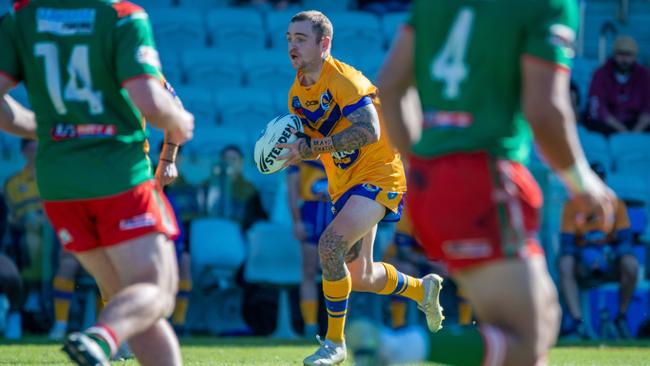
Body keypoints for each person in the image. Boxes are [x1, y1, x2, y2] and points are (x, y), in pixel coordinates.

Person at [361, 0, 618, 365]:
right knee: (526, 344)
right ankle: (395, 348)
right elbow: (545, 112)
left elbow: (389, 86)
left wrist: (423, 164)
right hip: (485, 180)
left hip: (432, 182)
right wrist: (583, 183)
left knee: (542, 320)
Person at [0, 1, 194, 366]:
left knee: (131, 298)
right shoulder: (122, 17)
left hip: (58, 183)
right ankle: (102, 336)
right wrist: (180, 121)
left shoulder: (19, 18)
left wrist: (42, 127)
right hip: (117, 175)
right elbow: (152, 102)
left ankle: (107, 334)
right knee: (157, 292)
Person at [277, 10, 443, 365]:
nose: (292, 46)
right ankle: (421, 289)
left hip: (379, 174)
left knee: (330, 245)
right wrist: (293, 152)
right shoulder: (296, 93)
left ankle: (335, 344)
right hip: (345, 183)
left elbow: (369, 131)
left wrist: (312, 148)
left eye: (301, 39)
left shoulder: (345, 80)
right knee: (361, 275)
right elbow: (316, 141)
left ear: (324, 44)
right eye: (290, 39)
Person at [558, 164, 638, 339]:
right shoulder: (572, 205)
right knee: (565, 263)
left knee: (631, 263)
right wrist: (588, 257)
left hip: (609, 260)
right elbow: (567, 245)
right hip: (583, 265)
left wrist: (606, 256)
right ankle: (578, 322)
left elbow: (625, 242)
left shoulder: (616, 203)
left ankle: (621, 317)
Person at [287, 160, 333, 338]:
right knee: (308, 271)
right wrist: (297, 221)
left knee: (338, 272)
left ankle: (338, 328)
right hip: (311, 213)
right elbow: (292, 190)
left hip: (335, 212)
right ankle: (310, 327)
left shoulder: (341, 145)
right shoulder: (300, 151)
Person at [4, 139, 47, 324]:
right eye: (31, 149)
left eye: (38, 149)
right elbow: (11, 215)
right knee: (32, 238)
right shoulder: (13, 182)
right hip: (24, 230)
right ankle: (34, 293)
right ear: (22, 152)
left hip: (54, 230)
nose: (35, 154)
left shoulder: (52, 178)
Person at [585, 36, 650, 135]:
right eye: (620, 54)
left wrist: (636, 132)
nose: (624, 59)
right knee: (592, 120)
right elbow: (597, 105)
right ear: (614, 55)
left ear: (635, 56)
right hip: (610, 123)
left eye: (628, 55)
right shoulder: (601, 73)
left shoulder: (644, 75)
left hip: (636, 123)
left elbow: (648, 106)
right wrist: (622, 130)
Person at [205, 144, 267, 233]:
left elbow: (257, 220)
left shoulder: (250, 190)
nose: (229, 162)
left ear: (241, 163)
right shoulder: (207, 186)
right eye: (226, 159)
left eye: (233, 159)